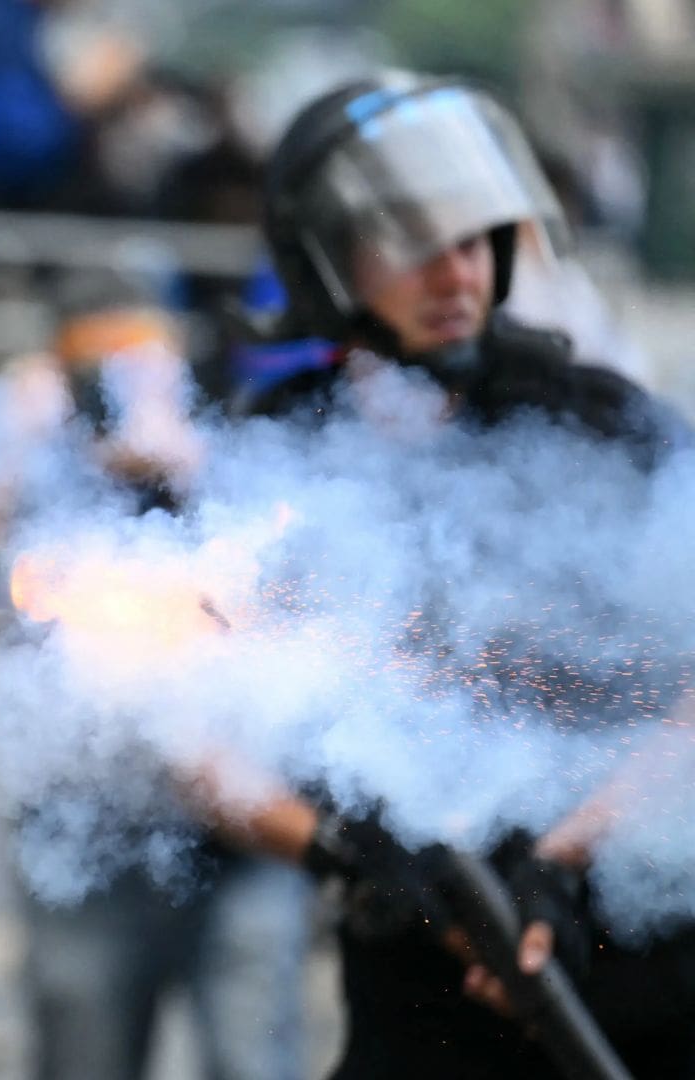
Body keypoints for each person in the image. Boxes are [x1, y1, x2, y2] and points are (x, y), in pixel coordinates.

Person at [205, 71, 695, 1078]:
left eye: (474, 239)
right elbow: (193, 723)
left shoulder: (604, 424)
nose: (455, 272)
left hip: (643, 963)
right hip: (417, 997)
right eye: (412, 241)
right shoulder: (280, 454)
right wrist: (345, 853)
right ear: (329, 259)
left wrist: (566, 857)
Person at [0, 271, 312, 1080]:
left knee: (256, 1059)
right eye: (97, 368)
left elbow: (304, 608)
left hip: (242, 832)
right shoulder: (37, 468)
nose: (124, 388)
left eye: (144, 361)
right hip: (87, 835)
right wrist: (13, 450)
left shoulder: (234, 445)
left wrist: (193, 465)